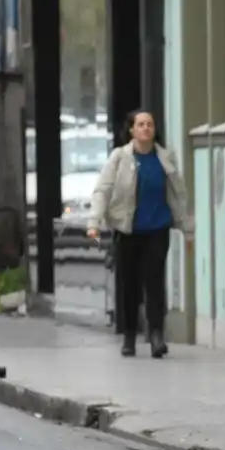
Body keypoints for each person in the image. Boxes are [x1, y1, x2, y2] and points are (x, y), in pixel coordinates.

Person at [87, 109, 193, 358]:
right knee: (129, 285)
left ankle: (156, 335)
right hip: (128, 231)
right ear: (132, 130)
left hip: (157, 229)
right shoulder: (119, 158)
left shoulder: (165, 158)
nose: (146, 128)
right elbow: (103, 190)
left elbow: (179, 196)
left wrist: (188, 231)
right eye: (141, 124)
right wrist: (94, 221)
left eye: (150, 124)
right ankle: (129, 335)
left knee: (155, 282)